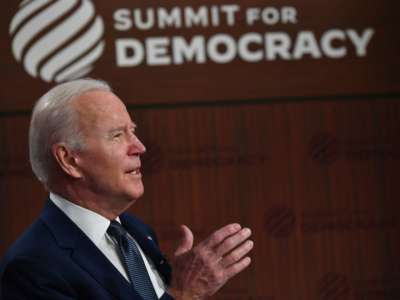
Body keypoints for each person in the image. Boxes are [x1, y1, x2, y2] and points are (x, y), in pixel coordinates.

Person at [0, 79, 254, 300]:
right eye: (117, 135)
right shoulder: (33, 267)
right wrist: (182, 294)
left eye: (133, 131)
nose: (139, 147)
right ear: (69, 160)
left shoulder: (136, 232)